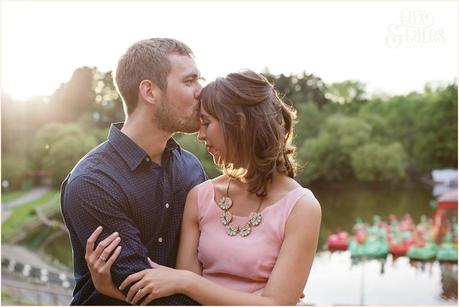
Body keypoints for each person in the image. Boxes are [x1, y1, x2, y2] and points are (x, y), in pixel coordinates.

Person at [85, 70, 322, 305]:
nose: (200, 135)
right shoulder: (201, 196)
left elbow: (276, 305)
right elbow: (184, 302)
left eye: (207, 123)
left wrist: (187, 282)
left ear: (238, 123)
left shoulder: (301, 207)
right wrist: (110, 289)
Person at [60, 38, 207, 305]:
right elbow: (143, 291)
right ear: (150, 91)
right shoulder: (92, 183)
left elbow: (214, 258)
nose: (201, 91)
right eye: (189, 81)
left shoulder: (192, 169)